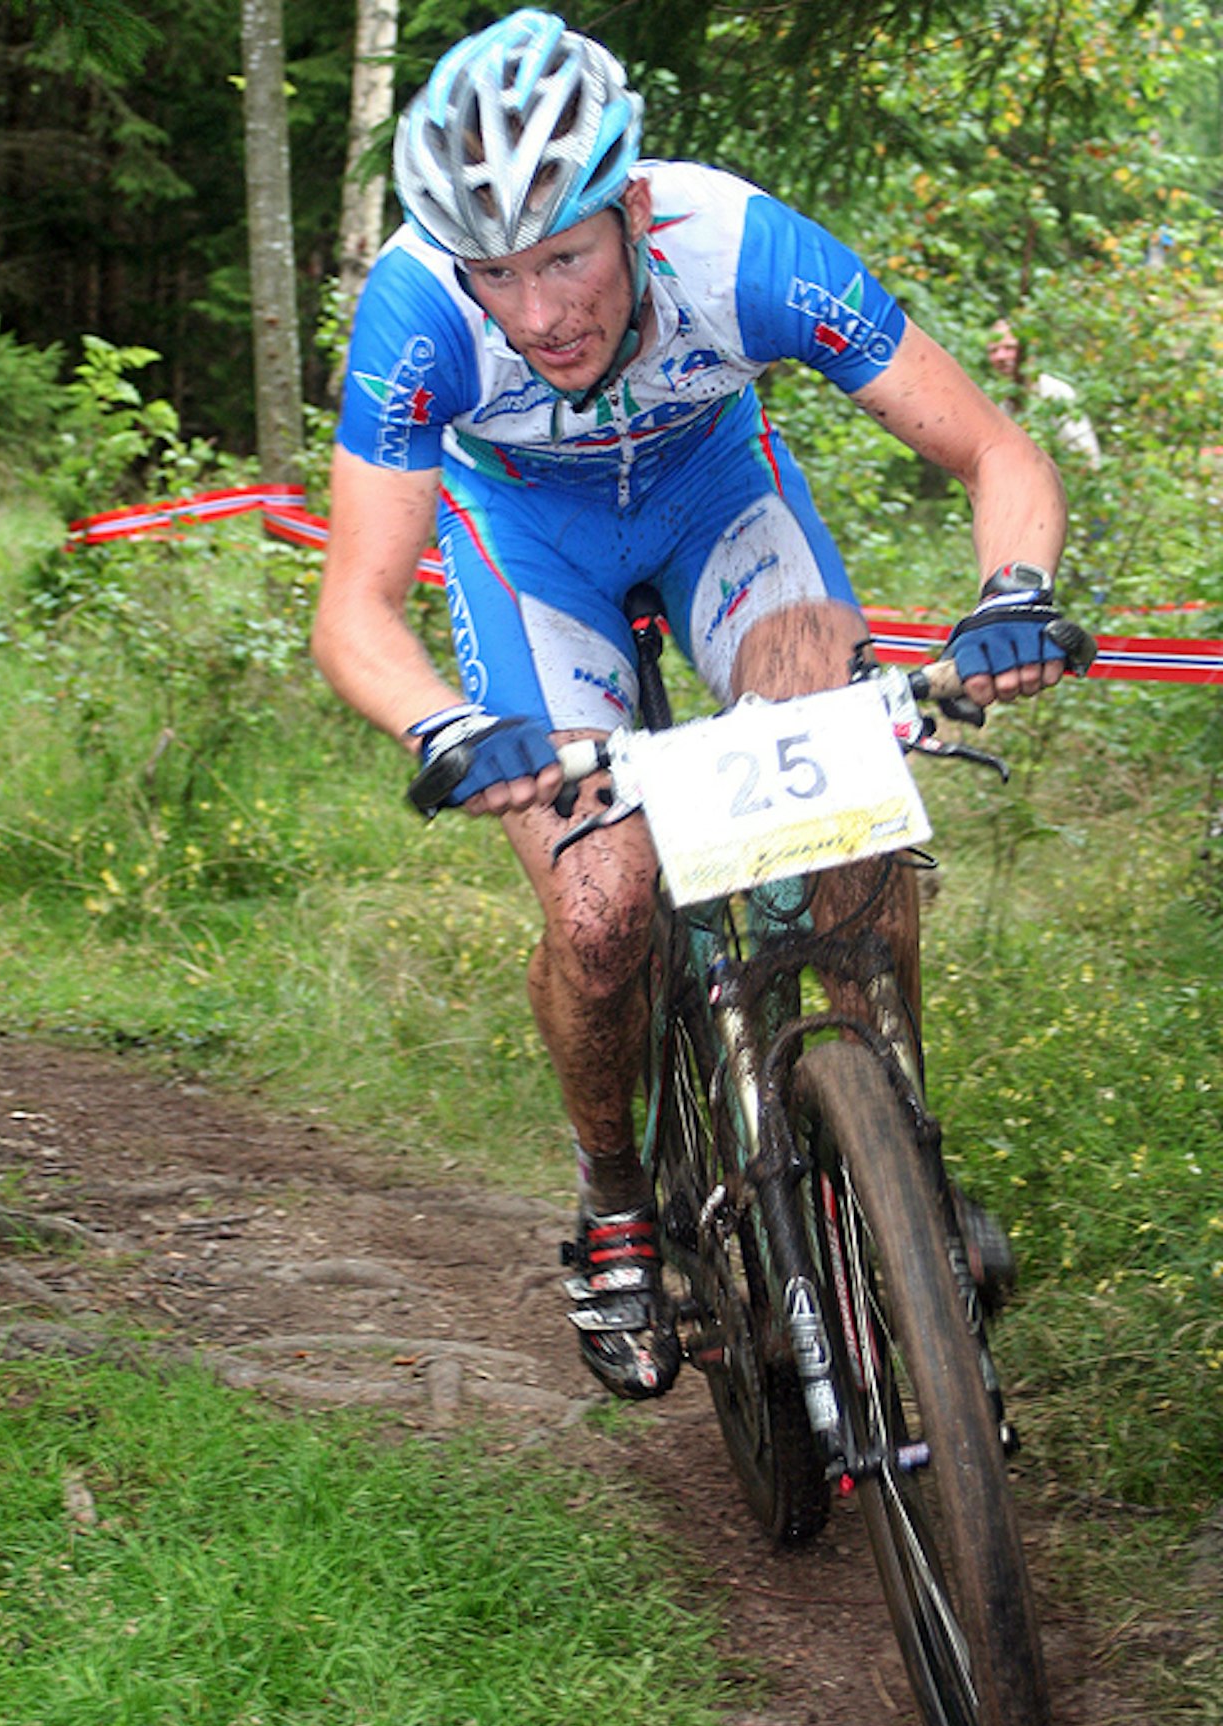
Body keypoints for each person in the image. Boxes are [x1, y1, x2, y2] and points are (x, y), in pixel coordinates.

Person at [312, 10, 1080, 1403]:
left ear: (635, 210)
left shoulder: (739, 247)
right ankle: (616, 1195)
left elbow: (994, 448)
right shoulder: (416, 312)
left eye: (566, 255)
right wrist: (446, 725)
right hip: (532, 554)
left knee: (847, 812)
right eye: (500, 272)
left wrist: (1012, 592)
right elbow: (357, 607)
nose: (540, 313)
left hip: (723, 511)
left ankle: (893, 1145)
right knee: (602, 916)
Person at [987, 317, 1102, 471]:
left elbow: (1086, 457)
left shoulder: (1055, 393)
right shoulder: (999, 403)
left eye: (1009, 348)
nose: (1000, 357)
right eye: (994, 350)